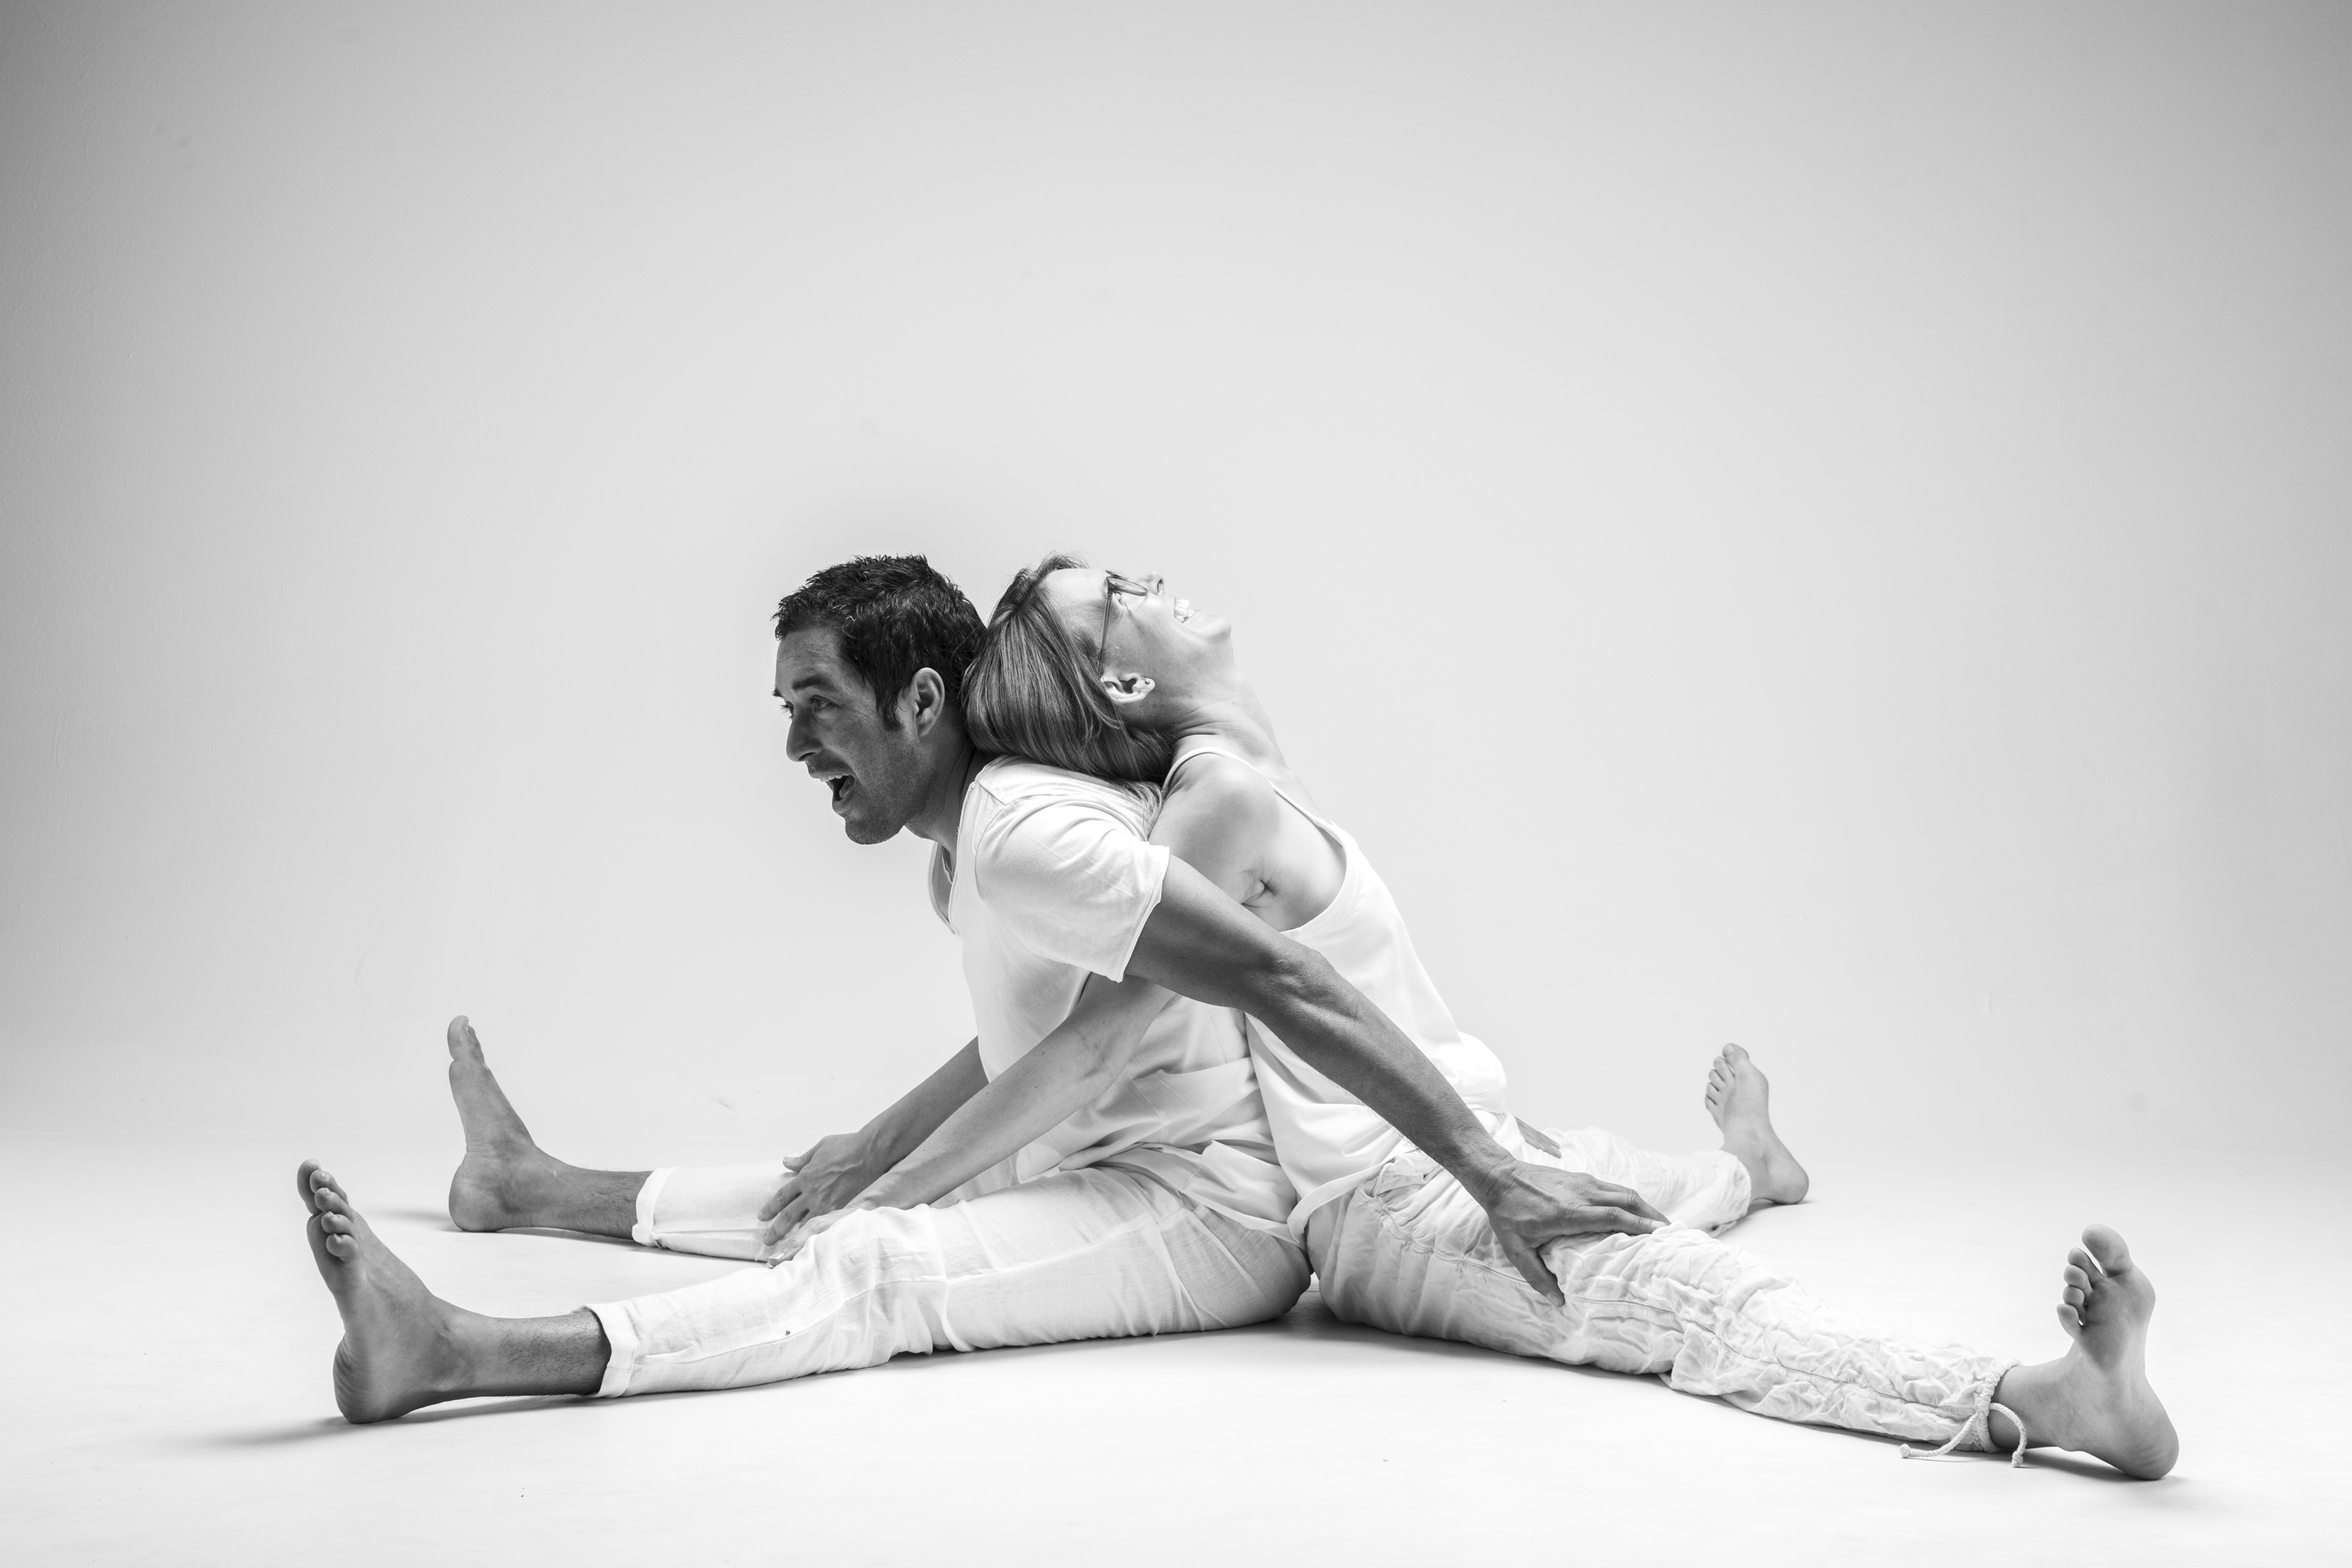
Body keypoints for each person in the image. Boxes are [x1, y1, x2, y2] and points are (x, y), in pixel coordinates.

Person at [298, 555, 1663, 1421]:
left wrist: (1487, 1169)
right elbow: (1044, 1034)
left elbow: (1264, 985)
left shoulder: (1022, 836)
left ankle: (473, 1354)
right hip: (1104, 1157)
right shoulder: (970, 861)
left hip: (1209, 1212)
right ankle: (528, 1190)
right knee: (816, 1186)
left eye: (816, 703)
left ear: (923, 699)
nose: (793, 743)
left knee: (874, 1262)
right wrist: (880, 1150)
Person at [936, 554, 2179, 1479]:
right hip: (1393, 1200)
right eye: (1120, 594)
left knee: (1627, 1175)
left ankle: (1750, 1168)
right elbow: (1102, 1041)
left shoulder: (1242, 778)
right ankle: (2052, 1399)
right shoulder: (1209, 808)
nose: (1156, 580)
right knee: (1685, 1305)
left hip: (1470, 1128)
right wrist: (890, 1177)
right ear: (1124, 673)